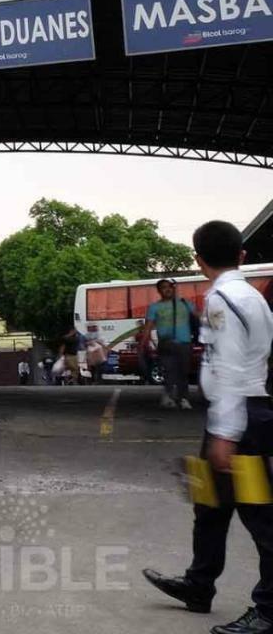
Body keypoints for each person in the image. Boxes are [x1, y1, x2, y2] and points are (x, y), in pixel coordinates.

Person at [144, 220, 273, 634]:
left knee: (261, 518)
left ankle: (269, 610)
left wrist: (225, 435)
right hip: (236, 418)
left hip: (240, 425)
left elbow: (232, 369)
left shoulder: (222, 301)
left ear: (198, 261)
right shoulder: (253, 297)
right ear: (242, 255)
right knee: (209, 506)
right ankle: (198, 586)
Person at [145, 278, 197, 409]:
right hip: (166, 343)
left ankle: (183, 398)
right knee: (168, 371)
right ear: (159, 291)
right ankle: (168, 396)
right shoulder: (154, 307)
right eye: (163, 287)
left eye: (169, 287)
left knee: (184, 372)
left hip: (185, 342)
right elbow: (148, 326)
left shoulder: (186, 304)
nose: (167, 289)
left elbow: (200, 316)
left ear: (174, 289)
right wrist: (143, 343)